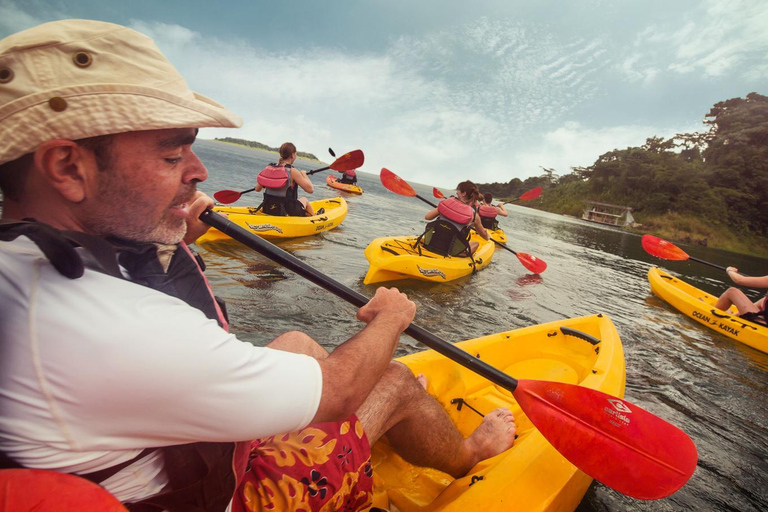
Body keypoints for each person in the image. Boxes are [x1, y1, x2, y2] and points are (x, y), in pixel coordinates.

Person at [0, 20, 516, 511]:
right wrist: (391, 319)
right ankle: (467, 449)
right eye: (172, 155)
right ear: (68, 166)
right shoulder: (112, 328)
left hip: (140, 448)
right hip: (229, 497)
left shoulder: (21, 260)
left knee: (295, 341)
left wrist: (172, 234)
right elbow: (336, 392)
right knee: (397, 378)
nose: (198, 171)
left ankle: (395, 409)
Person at [420, 181, 490, 256]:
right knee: (475, 244)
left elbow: (427, 217)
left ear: (463, 193)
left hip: (432, 243)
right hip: (451, 251)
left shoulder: (446, 203)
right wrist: (488, 236)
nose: (456, 192)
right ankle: (460, 258)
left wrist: (441, 209)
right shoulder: (474, 215)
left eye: (458, 191)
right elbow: (484, 236)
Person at [255, 142, 317, 216]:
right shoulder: (292, 171)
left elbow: (257, 189)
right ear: (293, 155)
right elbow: (310, 190)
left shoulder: (269, 168)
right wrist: (304, 175)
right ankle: (314, 220)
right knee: (305, 200)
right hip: (287, 211)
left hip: (267, 208)